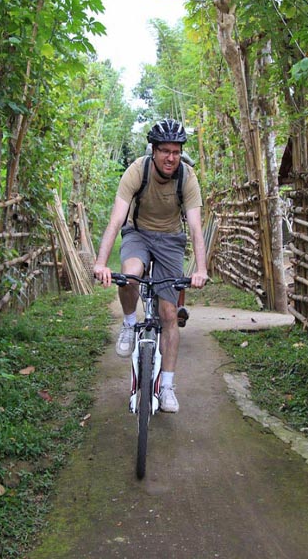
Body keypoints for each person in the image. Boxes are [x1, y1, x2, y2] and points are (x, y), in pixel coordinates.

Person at [93, 118, 208, 413]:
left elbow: (195, 227)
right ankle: (130, 324)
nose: (171, 157)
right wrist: (101, 263)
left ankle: (167, 386)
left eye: (176, 151)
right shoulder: (136, 171)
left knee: (170, 314)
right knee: (130, 276)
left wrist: (201, 269)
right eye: (165, 151)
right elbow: (117, 218)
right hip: (138, 233)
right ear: (153, 151)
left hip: (171, 239)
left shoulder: (187, 177)